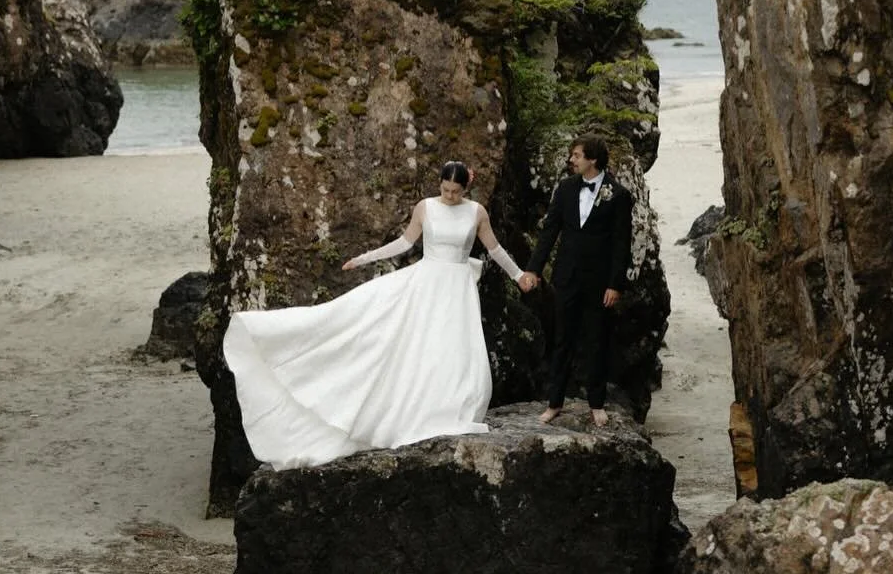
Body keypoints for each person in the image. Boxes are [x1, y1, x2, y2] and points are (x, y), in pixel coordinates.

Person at [223, 161, 527, 468]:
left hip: (457, 288)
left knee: (453, 348)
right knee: (405, 339)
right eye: (444, 189)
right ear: (439, 185)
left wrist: (518, 276)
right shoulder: (425, 208)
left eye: (455, 191)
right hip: (426, 282)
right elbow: (405, 243)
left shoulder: (476, 212)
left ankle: (448, 406)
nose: (448, 196)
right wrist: (365, 258)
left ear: (465, 189)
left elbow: (495, 249)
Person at [521, 135, 633, 429]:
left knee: (596, 341)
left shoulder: (618, 195)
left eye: (577, 155)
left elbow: (622, 244)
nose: (572, 160)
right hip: (567, 277)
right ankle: (554, 402)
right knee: (562, 340)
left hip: (599, 282)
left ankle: (596, 403)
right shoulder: (567, 188)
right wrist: (533, 269)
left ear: (592, 160)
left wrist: (615, 285)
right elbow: (549, 232)